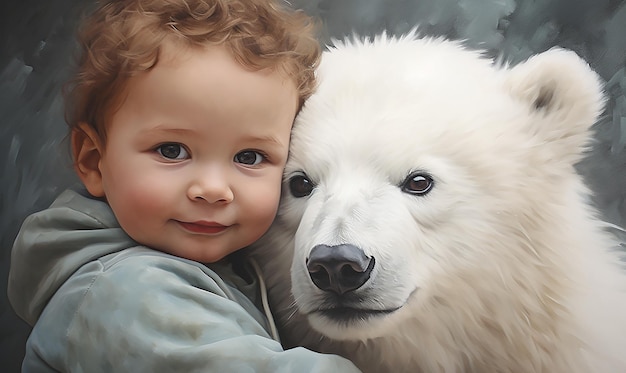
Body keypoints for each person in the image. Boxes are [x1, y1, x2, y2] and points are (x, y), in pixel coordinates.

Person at [7, 0, 362, 372]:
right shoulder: (128, 294)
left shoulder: (225, 266)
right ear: (94, 160)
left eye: (249, 157)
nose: (212, 189)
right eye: (172, 150)